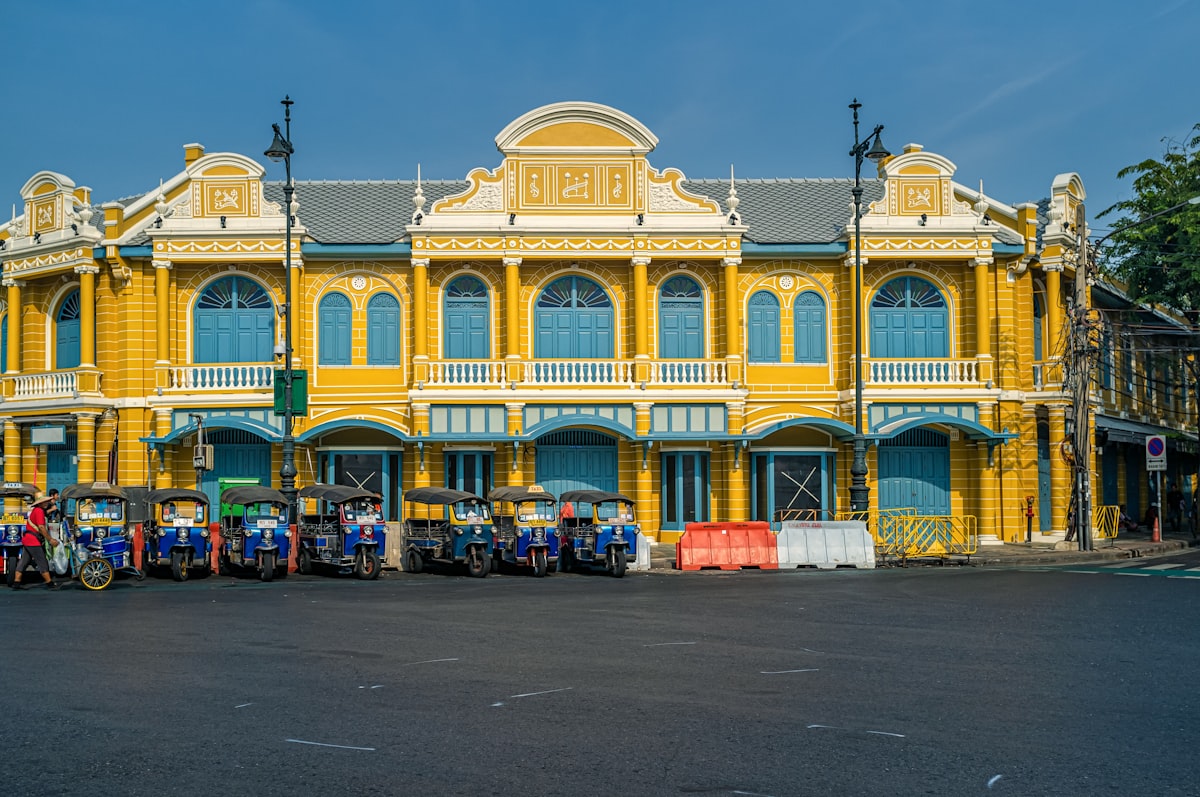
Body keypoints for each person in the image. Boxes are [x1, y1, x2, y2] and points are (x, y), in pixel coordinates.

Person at [11, 492, 59, 590]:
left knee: (24, 561)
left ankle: (16, 583)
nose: (46, 503)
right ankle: (49, 583)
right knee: (42, 561)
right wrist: (50, 539)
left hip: (28, 539)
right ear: (40, 503)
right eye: (44, 502)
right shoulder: (39, 511)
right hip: (33, 541)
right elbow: (41, 527)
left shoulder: (36, 510)